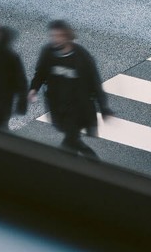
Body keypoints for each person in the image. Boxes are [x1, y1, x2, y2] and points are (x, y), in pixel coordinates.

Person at [29, 20, 112, 160]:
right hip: (58, 106)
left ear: (67, 36)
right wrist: (33, 89)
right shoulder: (48, 53)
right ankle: (84, 162)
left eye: (59, 36)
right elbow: (40, 73)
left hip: (78, 109)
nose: (55, 39)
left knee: (70, 140)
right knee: (72, 139)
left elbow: (95, 83)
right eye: (53, 36)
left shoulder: (81, 57)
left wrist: (104, 108)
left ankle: (90, 162)